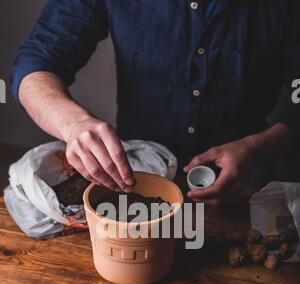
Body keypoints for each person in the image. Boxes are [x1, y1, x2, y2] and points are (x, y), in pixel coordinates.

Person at [12, 0, 300, 206]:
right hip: (134, 181)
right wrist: (74, 123)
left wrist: (259, 146)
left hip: (247, 188)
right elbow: (36, 63)